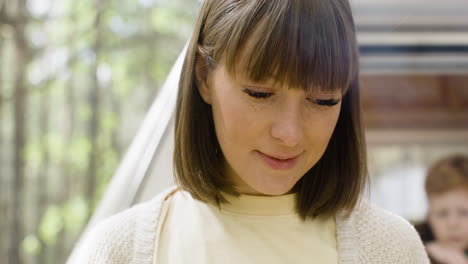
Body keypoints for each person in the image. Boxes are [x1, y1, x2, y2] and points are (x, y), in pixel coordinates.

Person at [69, 0, 429, 263]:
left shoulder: (392, 249)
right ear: (203, 75)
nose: (290, 134)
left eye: (323, 100)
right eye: (260, 93)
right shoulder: (119, 249)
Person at [416, 155, 468, 264]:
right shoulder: (413, 250)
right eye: (442, 214)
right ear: (429, 216)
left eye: (464, 213)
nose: (452, 224)